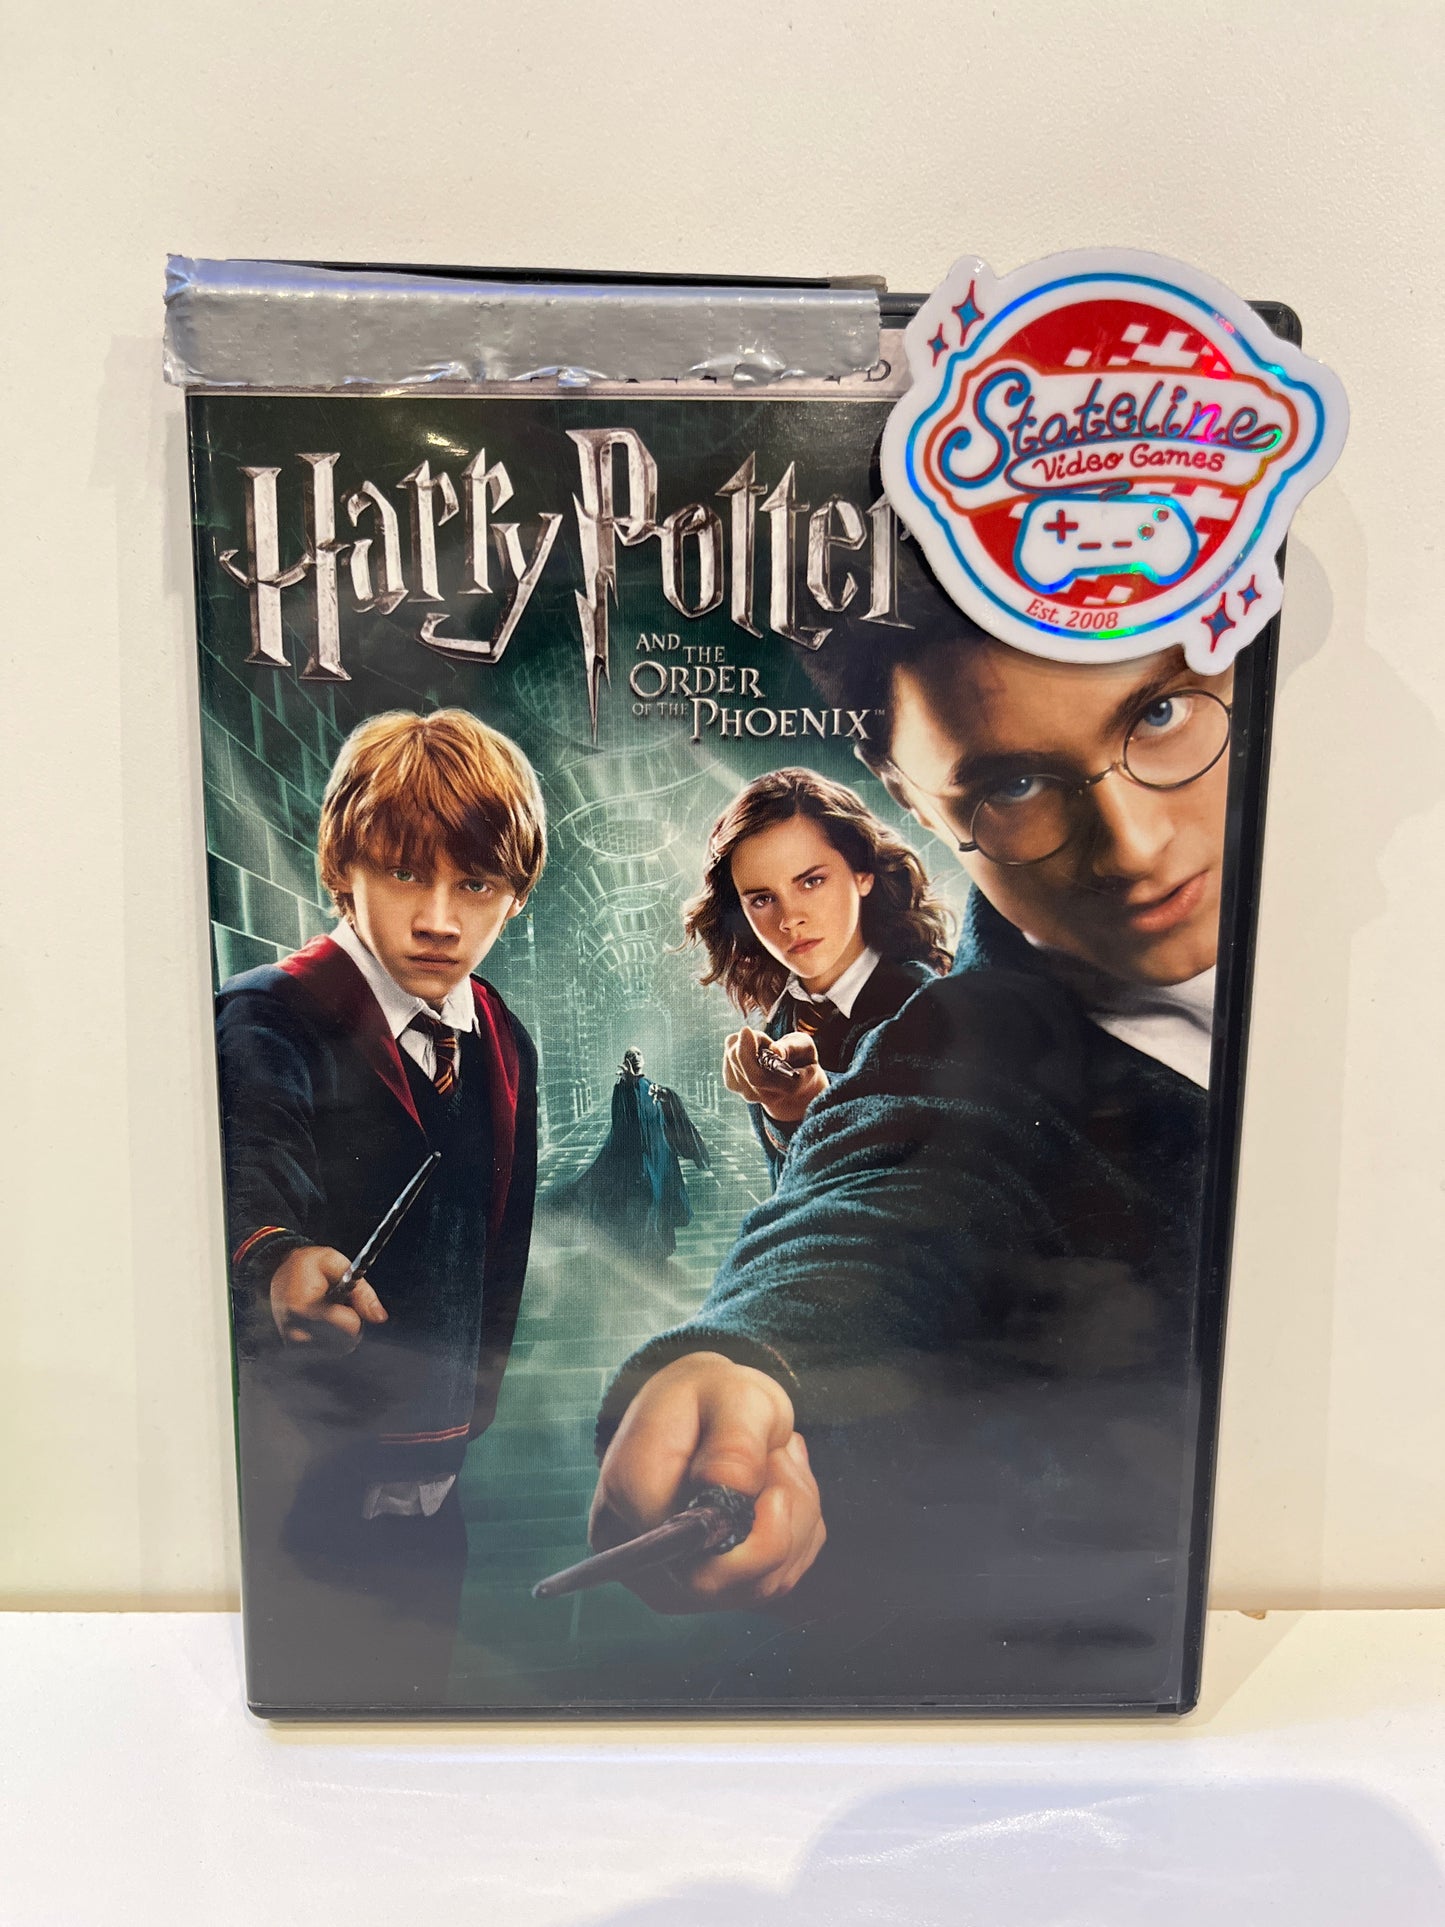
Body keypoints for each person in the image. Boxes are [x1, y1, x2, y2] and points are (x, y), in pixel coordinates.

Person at [588, 545, 1237, 1704]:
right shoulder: (943, 1034)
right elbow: (880, 1193)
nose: (1137, 845)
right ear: (911, 795)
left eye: (1162, 713)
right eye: (1013, 784)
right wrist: (745, 1367)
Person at [216, 707, 546, 1711]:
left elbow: (501, 1240)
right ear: (343, 869)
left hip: (433, 1474)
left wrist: (464, 1417)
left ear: (513, 895)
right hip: (302, 1485)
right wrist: (276, 1260)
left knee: (414, 1707)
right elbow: (249, 1170)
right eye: (405, 873)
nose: (440, 918)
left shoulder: (501, 1036)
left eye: (475, 884)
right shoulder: (270, 1014)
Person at [680, 769, 951, 1186]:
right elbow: (787, 1187)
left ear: (862, 872)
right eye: (762, 899)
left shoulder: (927, 1005)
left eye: (811, 881)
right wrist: (784, 1109)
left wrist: (808, 1103)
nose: (790, 919)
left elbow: (917, 1177)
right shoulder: (777, 1025)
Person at [546, 1049, 710, 1266]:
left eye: (639, 1054)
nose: (637, 1058)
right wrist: (629, 1085)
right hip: (635, 1157)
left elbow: (665, 1113)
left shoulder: (651, 1086)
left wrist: (666, 1096)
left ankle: (656, 1250)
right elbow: (624, 1119)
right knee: (644, 1198)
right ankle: (638, 1250)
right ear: (626, 1061)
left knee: (658, 1197)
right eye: (632, 1056)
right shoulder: (622, 1088)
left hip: (657, 1154)